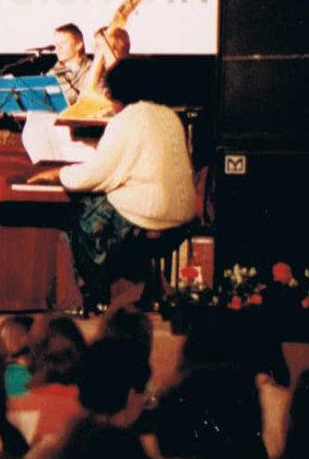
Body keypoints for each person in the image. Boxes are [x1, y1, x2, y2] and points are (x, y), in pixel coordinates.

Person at [29, 58, 195, 314]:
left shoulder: (127, 120)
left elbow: (99, 173)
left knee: (77, 213)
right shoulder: (169, 115)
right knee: (100, 207)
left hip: (149, 212)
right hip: (181, 214)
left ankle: (93, 293)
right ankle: (128, 286)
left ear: (117, 91)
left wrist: (59, 174)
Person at [46, 23, 93, 106]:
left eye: (63, 43)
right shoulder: (52, 74)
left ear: (78, 45)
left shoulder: (93, 69)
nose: (58, 48)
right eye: (56, 45)